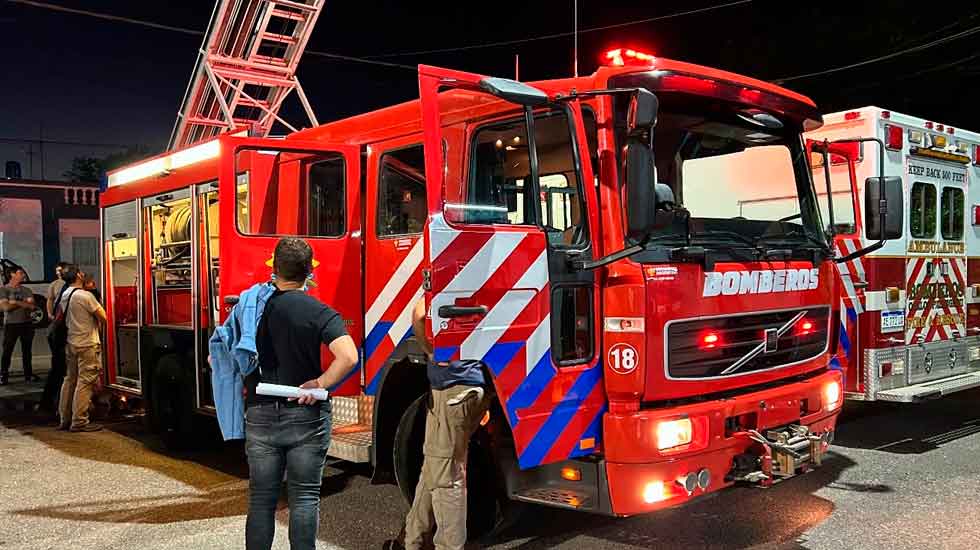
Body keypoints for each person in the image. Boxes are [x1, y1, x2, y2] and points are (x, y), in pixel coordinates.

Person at [241, 238, 358, 550]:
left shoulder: (252, 308)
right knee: (304, 498)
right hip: (306, 416)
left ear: (274, 268)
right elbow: (348, 356)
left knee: (262, 500)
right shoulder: (319, 311)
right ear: (309, 272)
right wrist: (320, 383)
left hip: (260, 414)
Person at [401, 297, 492, 550]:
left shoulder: (445, 277)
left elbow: (420, 313)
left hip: (453, 389)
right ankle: (412, 541)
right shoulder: (478, 277)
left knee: (447, 478)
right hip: (475, 384)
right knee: (435, 465)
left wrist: (429, 350)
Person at [57, 265, 107, 432]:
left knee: (70, 379)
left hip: (71, 342)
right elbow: (104, 316)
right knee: (85, 381)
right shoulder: (85, 296)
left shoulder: (65, 294)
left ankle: (64, 418)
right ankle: (79, 421)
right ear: (78, 275)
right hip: (87, 343)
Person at [40, 261, 71, 411]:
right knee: (60, 368)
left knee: (59, 368)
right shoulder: (60, 287)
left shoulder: (67, 288)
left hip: (57, 330)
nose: (59, 273)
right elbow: (51, 301)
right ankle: (54, 403)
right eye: (57, 271)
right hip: (58, 330)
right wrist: (51, 314)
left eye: (61, 271)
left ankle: (52, 401)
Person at [0, 267, 39, 385]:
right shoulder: (3, 290)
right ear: (12, 274)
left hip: (26, 324)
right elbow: (5, 307)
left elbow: (32, 307)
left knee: (27, 351)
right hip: (11, 324)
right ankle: (3, 375)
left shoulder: (26, 289)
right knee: (7, 351)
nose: (23, 275)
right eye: (20, 273)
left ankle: (28, 374)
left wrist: (15, 302)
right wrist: (24, 303)